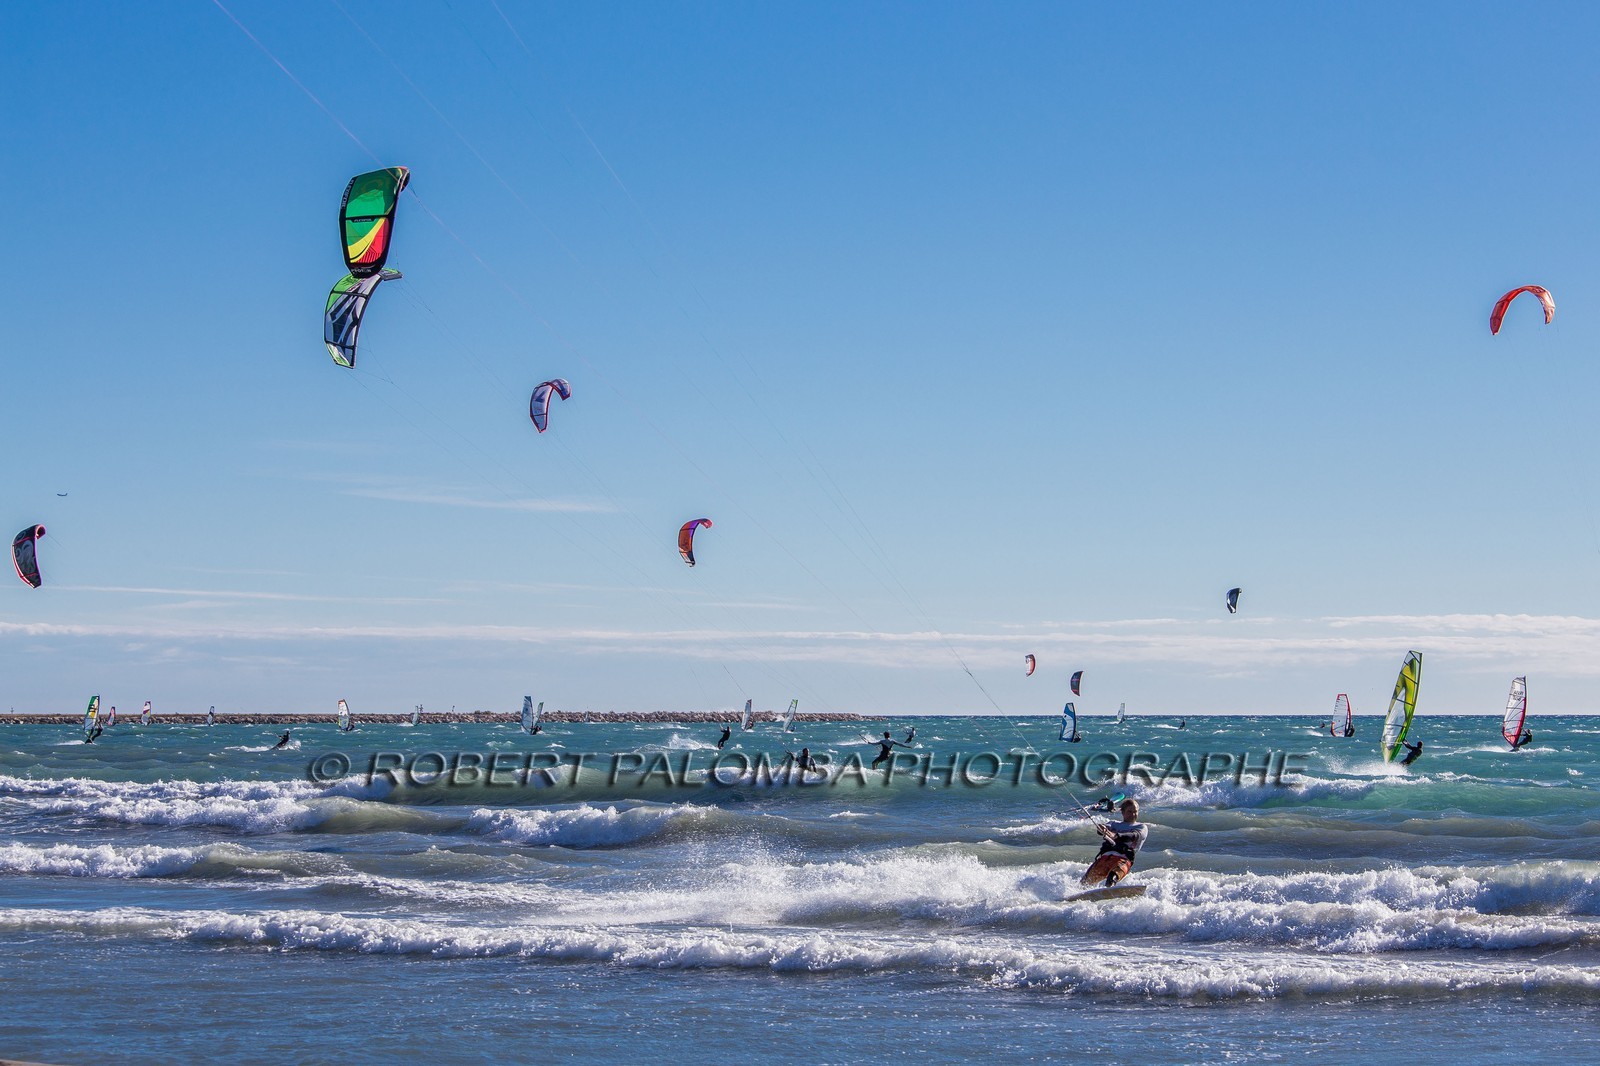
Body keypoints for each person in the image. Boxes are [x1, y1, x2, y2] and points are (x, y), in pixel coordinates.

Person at [1080, 798, 1148, 888]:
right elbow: (1101, 830)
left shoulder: (1141, 827)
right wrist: (1102, 828)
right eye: (1129, 811)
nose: (1133, 814)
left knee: (1112, 877)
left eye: (1135, 811)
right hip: (1105, 858)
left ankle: (1109, 892)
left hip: (1123, 860)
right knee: (1084, 883)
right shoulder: (1114, 824)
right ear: (1123, 812)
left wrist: (1116, 835)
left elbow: (1132, 836)